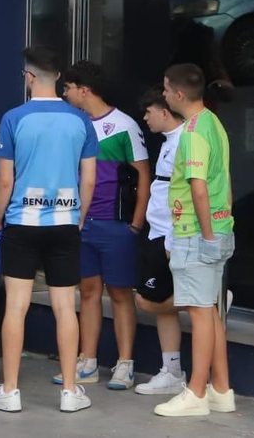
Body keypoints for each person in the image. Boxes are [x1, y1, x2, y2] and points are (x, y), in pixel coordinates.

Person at [0, 46, 98, 414]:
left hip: (22, 222)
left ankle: (10, 391)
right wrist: (77, 217)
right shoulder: (81, 120)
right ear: (60, 79)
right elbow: (90, 179)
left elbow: (5, 180)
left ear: (29, 77)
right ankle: (69, 391)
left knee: (15, 306)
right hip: (65, 223)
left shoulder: (13, 118)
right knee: (66, 307)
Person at [60, 60, 150, 391]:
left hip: (116, 224)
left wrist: (136, 224)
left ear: (84, 90)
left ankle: (125, 364)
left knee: (121, 293)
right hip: (83, 224)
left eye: (68, 88)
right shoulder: (75, 124)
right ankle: (87, 362)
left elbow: (143, 173)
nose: (65, 93)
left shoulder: (124, 124)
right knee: (87, 292)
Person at [153, 63, 236, 419]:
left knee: (201, 315)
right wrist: (222, 223)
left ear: (179, 95)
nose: (164, 94)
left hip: (196, 233)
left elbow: (198, 187)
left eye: (166, 89)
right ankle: (221, 389)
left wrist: (204, 234)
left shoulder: (193, 132)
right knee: (211, 312)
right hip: (219, 227)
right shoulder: (214, 122)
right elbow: (226, 180)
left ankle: (196, 392)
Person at [133, 89, 187, 397]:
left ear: (165, 111)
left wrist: (175, 238)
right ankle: (173, 371)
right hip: (159, 232)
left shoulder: (185, 142)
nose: (145, 118)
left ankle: (209, 302)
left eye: (149, 111)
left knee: (147, 300)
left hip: (172, 235)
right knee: (163, 305)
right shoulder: (169, 142)